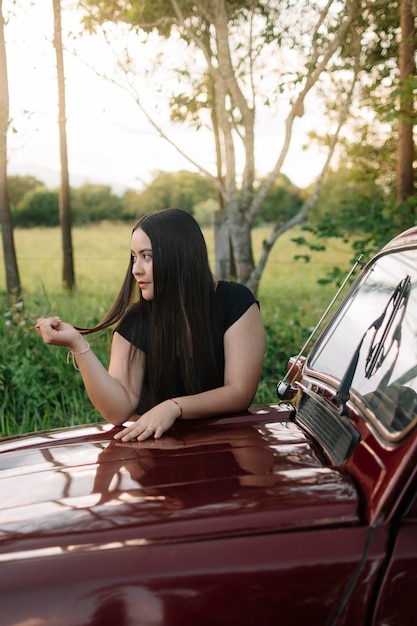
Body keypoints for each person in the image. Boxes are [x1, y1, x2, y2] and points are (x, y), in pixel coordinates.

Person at [36, 208, 266, 442]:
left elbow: (239, 392)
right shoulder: (135, 322)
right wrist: (77, 345)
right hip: (159, 452)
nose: (136, 269)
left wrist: (174, 407)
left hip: (225, 446)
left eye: (147, 256)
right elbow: (117, 411)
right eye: (134, 257)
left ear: (179, 256)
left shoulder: (235, 302)